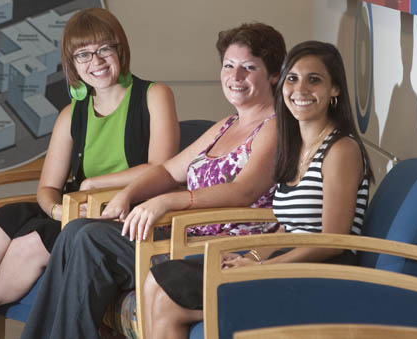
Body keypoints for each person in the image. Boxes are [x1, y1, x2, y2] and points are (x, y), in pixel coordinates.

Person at [0, 8, 179, 339]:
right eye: (83, 54)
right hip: (71, 210)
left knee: (28, 245)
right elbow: (48, 187)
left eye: (103, 49)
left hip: (122, 214)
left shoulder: (154, 95)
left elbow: (161, 168)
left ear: (120, 49)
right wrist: (57, 209)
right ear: (72, 64)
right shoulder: (71, 114)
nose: (95, 61)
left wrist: (94, 184)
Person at [19, 22, 287, 338]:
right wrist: (128, 195)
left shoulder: (275, 127)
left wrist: (167, 200)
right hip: (184, 233)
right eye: (229, 65)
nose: (235, 76)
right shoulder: (226, 125)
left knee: (91, 240)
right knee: (76, 231)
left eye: (248, 67)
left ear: (273, 75)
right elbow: (168, 171)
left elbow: (243, 191)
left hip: (216, 247)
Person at [142, 40, 374, 338]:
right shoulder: (296, 148)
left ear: (335, 90)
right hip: (289, 262)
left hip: (322, 274)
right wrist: (252, 257)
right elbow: (287, 228)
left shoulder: (341, 149)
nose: (300, 89)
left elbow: (332, 242)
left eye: (314, 80)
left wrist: (264, 267)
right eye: (292, 78)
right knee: (156, 280)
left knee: (167, 301)